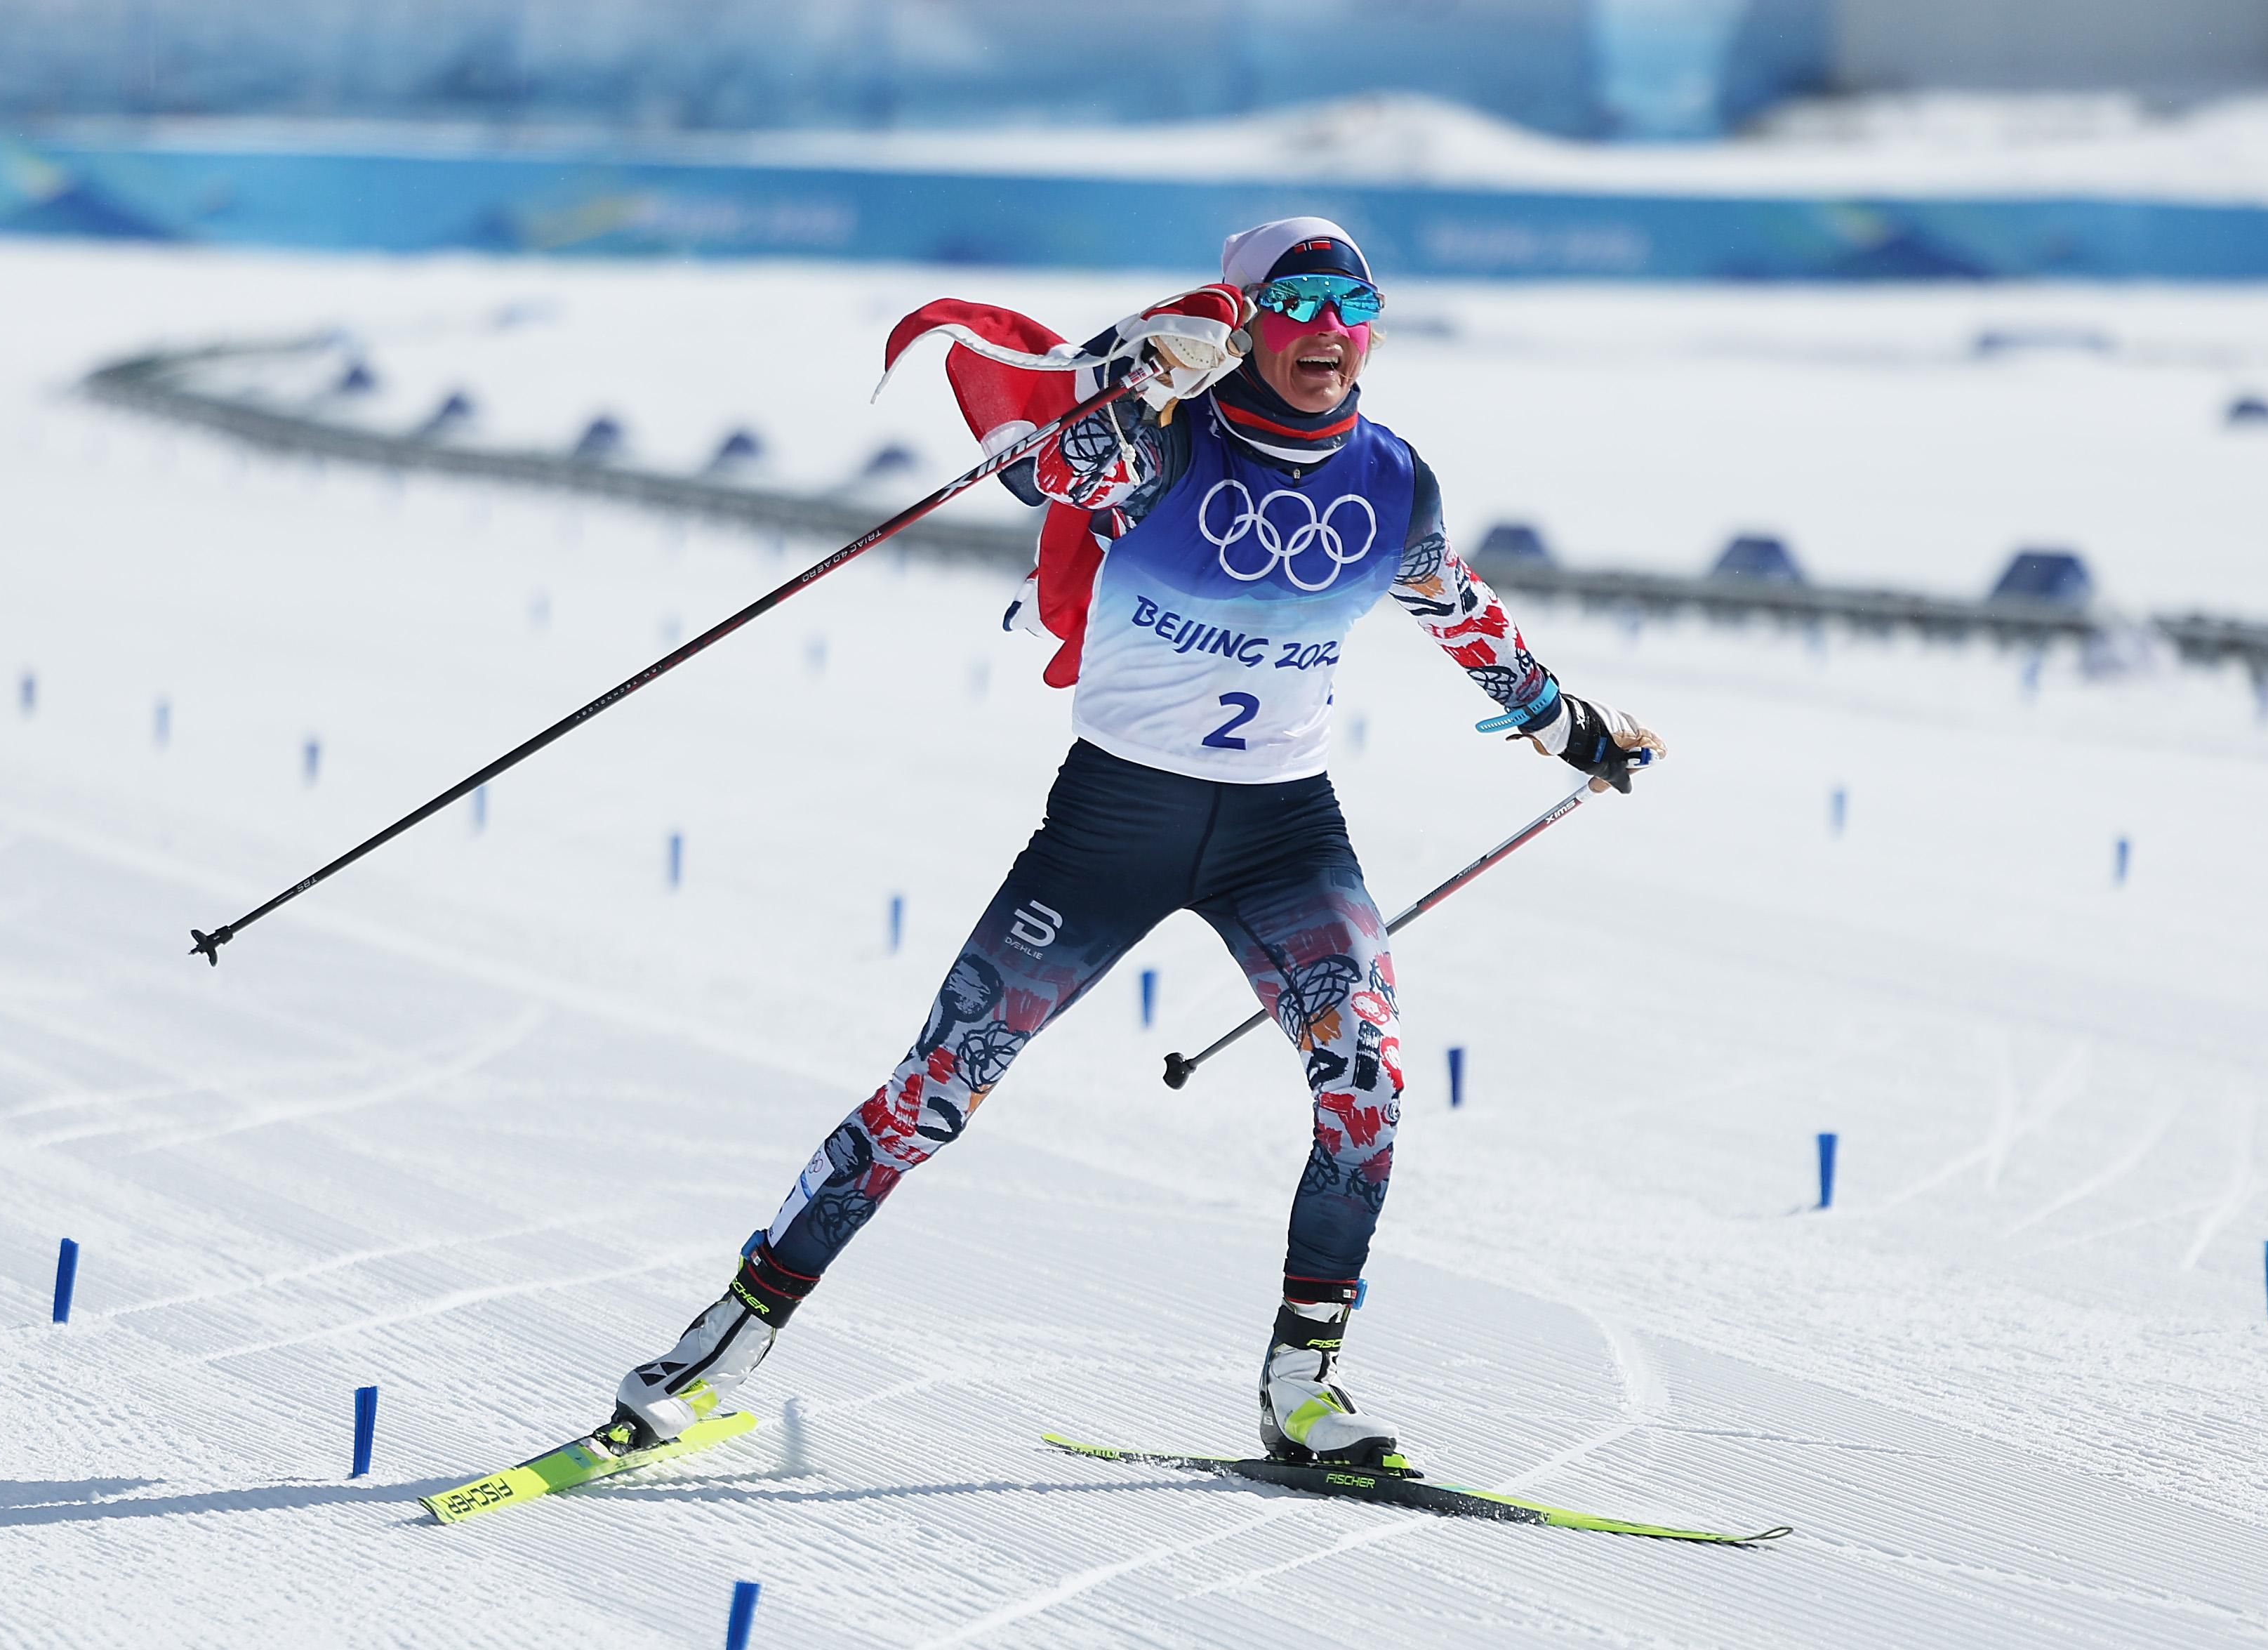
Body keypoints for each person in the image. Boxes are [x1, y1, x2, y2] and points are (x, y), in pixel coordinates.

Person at [599, 218, 1662, 1468]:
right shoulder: (1155, 449)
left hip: (1284, 834)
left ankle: (1304, 1385)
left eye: (1352, 305)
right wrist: (1133, 368)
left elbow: (1458, 607)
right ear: (1249, 319)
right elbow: (1031, 469)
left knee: (1365, 1085)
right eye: (1300, 303)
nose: (1328, 331)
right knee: (936, 1090)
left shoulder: (1392, 479)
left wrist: (1563, 720)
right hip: (1114, 826)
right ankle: (726, 1338)